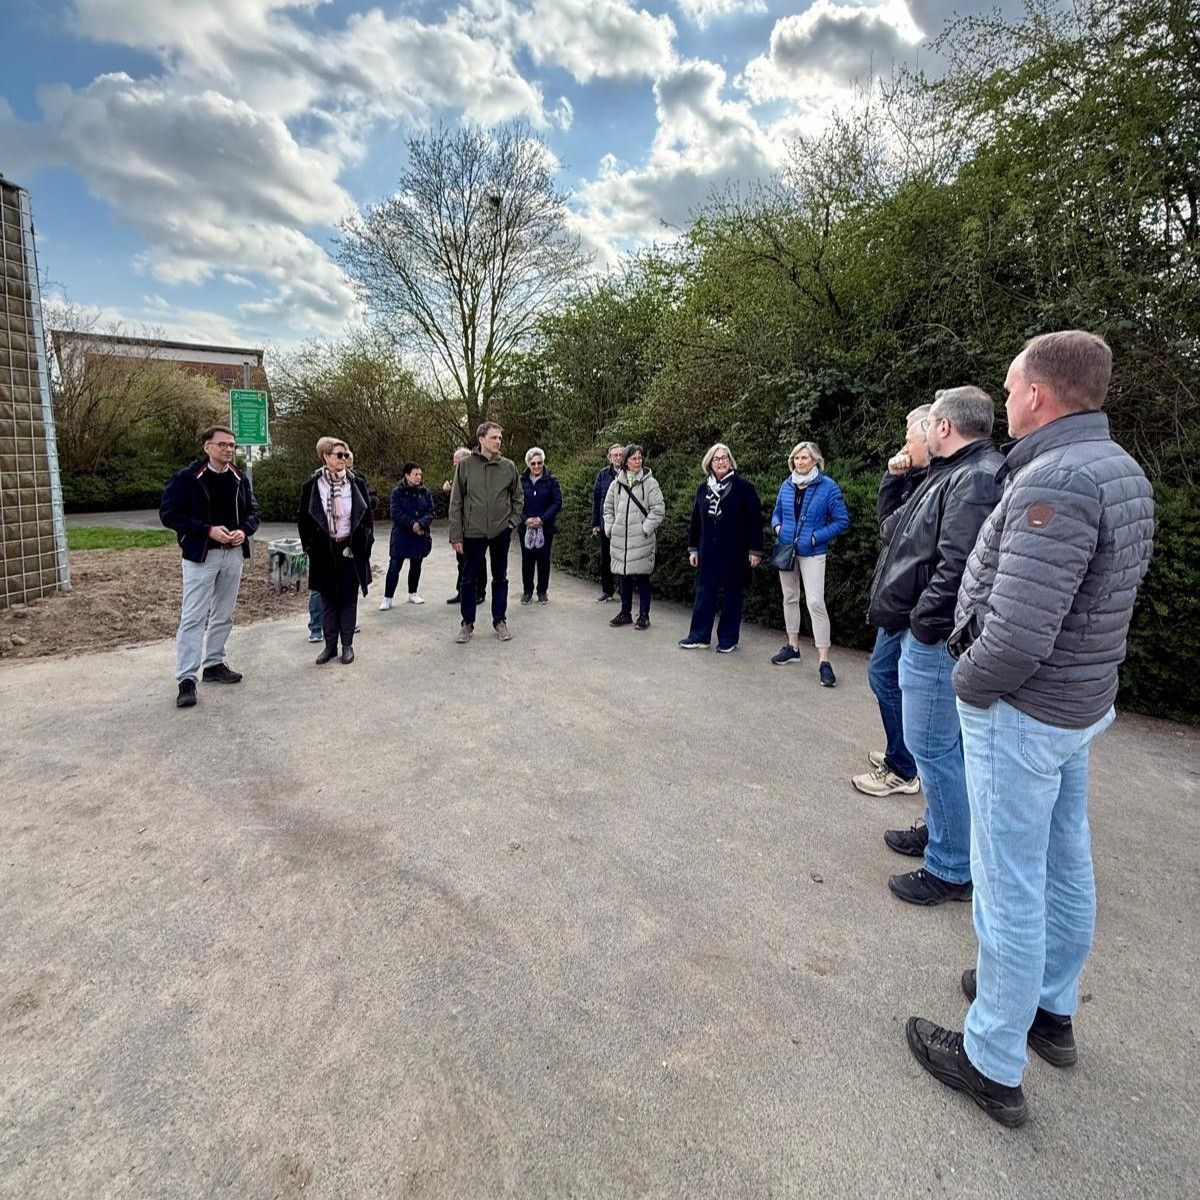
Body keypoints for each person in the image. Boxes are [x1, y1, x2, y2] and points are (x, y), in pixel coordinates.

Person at [907, 332, 1155, 1128]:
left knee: (1009, 879)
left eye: (1012, 387)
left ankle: (991, 1059)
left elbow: (1017, 635)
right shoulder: (1117, 468)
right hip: (1076, 705)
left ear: (1039, 394)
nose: (1006, 398)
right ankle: (1048, 1007)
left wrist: (966, 685)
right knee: (1062, 858)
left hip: (1025, 710)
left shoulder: (1060, 477)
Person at [867, 388, 1004, 906]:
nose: (918, 435)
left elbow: (958, 567)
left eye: (925, 426)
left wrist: (923, 626)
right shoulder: (958, 472)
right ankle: (944, 830)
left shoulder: (973, 477)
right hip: (932, 632)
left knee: (935, 749)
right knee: (944, 748)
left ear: (943, 427)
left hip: (935, 638)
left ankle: (950, 867)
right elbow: (897, 532)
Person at [852, 405, 931, 797]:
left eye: (909, 437)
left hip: (910, 604)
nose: (903, 446)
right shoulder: (920, 479)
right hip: (903, 601)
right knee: (890, 677)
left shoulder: (935, 483)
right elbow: (888, 524)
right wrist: (896, 477)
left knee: (884, 675)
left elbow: (890, 530)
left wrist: (895, 477)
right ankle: (902, 753)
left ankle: (903, 767)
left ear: (932, 434)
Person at [160, 425, 260, 708]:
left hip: (233, 555)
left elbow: (254, 511)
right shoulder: (188, 478)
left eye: (232, 445)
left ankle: (214, 663)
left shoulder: (239, 478)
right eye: (222, 444)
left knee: (224, 613)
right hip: (201, 556)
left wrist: (244, 530)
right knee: (193, 617)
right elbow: (169, 514)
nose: (228, 449)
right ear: (207, 447)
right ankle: (186, 679)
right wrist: (207, 530)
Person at [768, 442, 850, 686]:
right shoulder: (786, 485)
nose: (799, 462)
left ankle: (824, 660)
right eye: (796, 458)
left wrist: (815, 537)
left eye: (804, 458)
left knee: (815, 602)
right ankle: (792, 646)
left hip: (813, 553)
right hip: (786, 550)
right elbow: (776, 513)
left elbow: (841, 520)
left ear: (815, 460)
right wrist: (778, 527)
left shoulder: (828, 487)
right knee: (789, 598)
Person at [678, 443, 763, 652]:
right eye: (716, 459)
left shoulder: (744, 487)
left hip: (735, 551)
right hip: (708, 551)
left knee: (733, 595)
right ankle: (699, 636)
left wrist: (755, 550)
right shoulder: (702, 489)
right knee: (704, 593)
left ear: (730, 461)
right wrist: (693, 548)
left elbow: (755, 521)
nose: (721, 462)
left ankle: (728, 639)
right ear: (709, 464)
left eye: (725, 458)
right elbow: (695, 522)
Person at [298, 437, 374, 664]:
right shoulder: (313, 484)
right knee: (328, 600)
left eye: (345, 454)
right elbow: (304, 520)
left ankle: (347, 645)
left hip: (350, 548)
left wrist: (365, 545)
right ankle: (330, 646)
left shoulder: (356, 482)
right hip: (324, 550)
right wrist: (310, 548)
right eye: (339, 455)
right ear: (325, 456)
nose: (344, 459)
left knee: (349, 599)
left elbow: (367, 518)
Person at [449, 421, 523, 643]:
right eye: (493, 437)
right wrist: (456, 534)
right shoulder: (465, 465)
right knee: (468, 579)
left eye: (500, 438)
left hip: (501, 531)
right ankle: (467, 624)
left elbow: (518, 497)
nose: (498, 441)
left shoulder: (508, 466)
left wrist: (512, 522)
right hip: (473, 532)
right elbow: (456, 501)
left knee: (500, 577)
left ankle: (499, 621)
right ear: (481, 439)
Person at [603, 444, 665, 631]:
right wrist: (610, 528)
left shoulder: (650, 483)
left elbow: (658, 510)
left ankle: (644, 616)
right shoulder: (616, 484)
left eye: (640, 458)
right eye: (634, 458)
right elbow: (608, 509)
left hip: (641, 540)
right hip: (621, 540)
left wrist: (645, 529)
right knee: (624, 577)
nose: (638, 461)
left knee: (643, 577)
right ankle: (625, 613)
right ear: (625, 462)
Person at [380, 462, 434, 609]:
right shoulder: (397, 492)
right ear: (407, 475)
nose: (419, 477)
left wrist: (421, 524)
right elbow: (395, 513)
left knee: (416, 564)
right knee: (394, 566)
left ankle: (413, 593)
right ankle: (387, 598)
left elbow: (430, 512)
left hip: (419, 534)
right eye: (415, 474)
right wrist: (412, 524)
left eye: (420, 474)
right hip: (401, 535)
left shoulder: (425, 492)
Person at [519, 447, 563, 604]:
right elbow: (516, 502)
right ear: (528, 464)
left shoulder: (551, 480)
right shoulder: (521, 481)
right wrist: (525, 519)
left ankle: (542, 592)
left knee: (544, 560)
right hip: (526, 527)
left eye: (539, 463)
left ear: (543, 462)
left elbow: (557, 502)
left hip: (546, 527)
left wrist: (542, 519)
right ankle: (527, 591)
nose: (536, 466)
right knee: (527, 560)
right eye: (533, 463)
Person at [444, 447, 485, 607]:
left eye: (457, 462)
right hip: (460, 528)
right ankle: (462, 591)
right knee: (461, 561)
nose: (455, 465)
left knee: (478, 560)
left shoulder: (476, 476)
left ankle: (479, 592)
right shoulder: (458, 478)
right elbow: (455, 504)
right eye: (454, 463)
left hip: (475, 527)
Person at [591, 443, 625, 602]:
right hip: (606, 524)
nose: (618, 458)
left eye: (620, 455)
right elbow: (597, 500)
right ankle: (607, 591)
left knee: (623, 560)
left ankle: (624, 592)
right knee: (606, 559)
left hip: (624, 525)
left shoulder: (629, 473)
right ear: (609, 458)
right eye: (615, 455)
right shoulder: (603, 474)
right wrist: (595, 524)